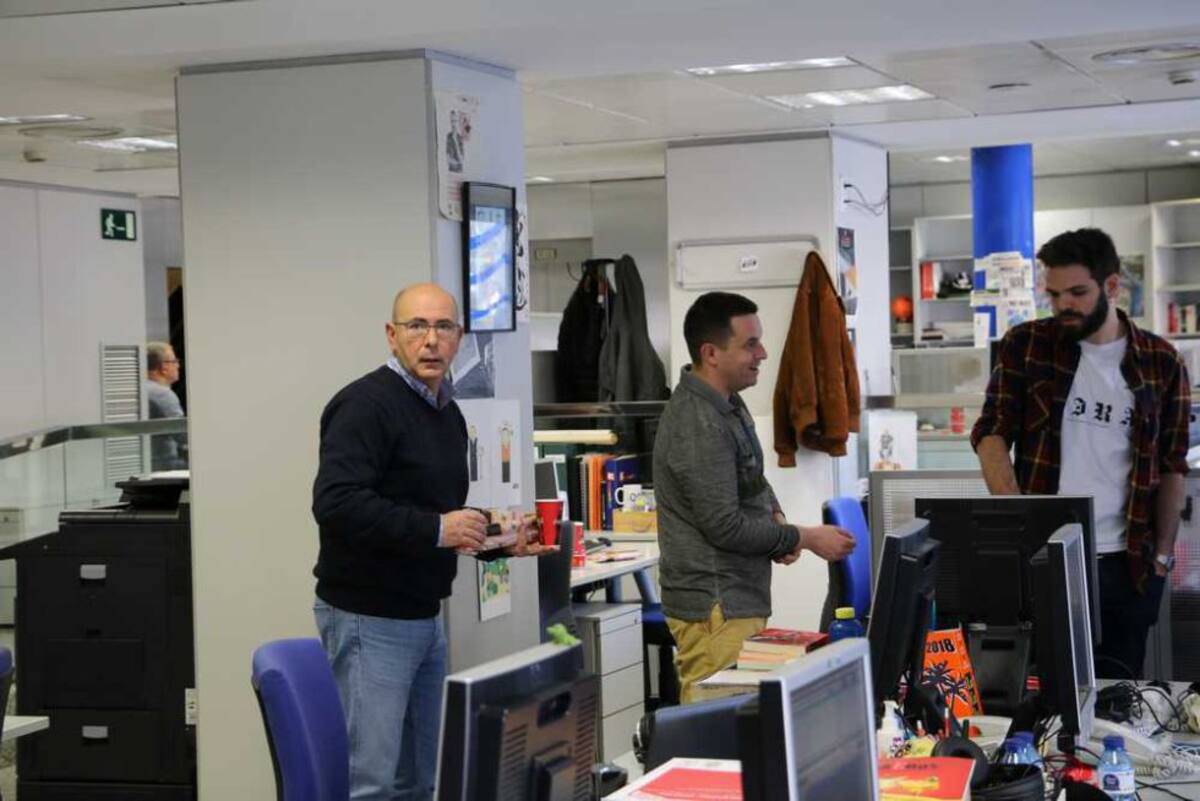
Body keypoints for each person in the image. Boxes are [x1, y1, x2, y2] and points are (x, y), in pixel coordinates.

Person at [311, 283, 551, 801]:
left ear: (459, 337)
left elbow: (429, 508)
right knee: (372, 782)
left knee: (423, 779)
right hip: (369, 616)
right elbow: (337, 504)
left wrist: (497, 538)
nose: (431, 339)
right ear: (391, 334)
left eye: (443, 327)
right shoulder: (364, 405)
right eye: (417, 326)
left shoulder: (447, 411)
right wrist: (439, 529)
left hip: (424, 616)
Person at [972, 228, 1190, 679]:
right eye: (1054, 295)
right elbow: (991, 432)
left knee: (1118, 696)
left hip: (1127, 564)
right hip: (1045, 556)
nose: (1063, 306)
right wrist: (1017, 518)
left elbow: (1172, 465)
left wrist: (1162, 558)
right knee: (1039, 694)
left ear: (1111, 286)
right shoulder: (1026, 345)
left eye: (1077, 293)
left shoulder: (1161, 361)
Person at [654, 291, 856, 703]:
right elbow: (724, 527)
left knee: (738, 726)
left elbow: (753, 478)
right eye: (750, 344)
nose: (762, 353)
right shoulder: (699, 423)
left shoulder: (728, 403)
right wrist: (803, 537)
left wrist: (777, 519)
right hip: (716, 608)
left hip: (737, 599)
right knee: (714, 731)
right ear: (711, 353)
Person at [145, 341, 186, 470]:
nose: (178, 365)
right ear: (164, 367)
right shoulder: (162, 394)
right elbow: (183, 435)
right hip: (164, 463)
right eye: (175, 361)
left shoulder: (143, 389)